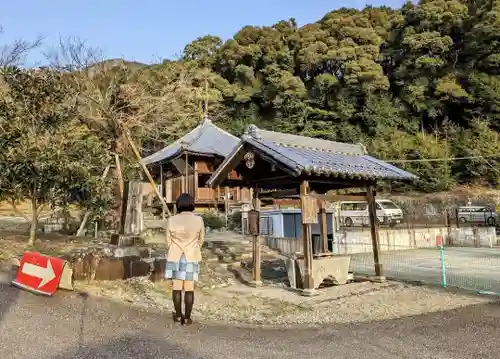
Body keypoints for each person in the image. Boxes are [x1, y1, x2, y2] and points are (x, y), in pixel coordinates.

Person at [165, 193, 204, 325]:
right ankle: (187, 318)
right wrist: (194, 248)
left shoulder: (171, 220)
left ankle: (177, 316)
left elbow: (168, 240)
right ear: (192, 204)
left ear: (178, 205)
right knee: (189, 288)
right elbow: (201, 239)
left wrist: (175, 248)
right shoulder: (199, 220)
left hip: (175, 256)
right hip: (191, 256)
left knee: (176, 287)